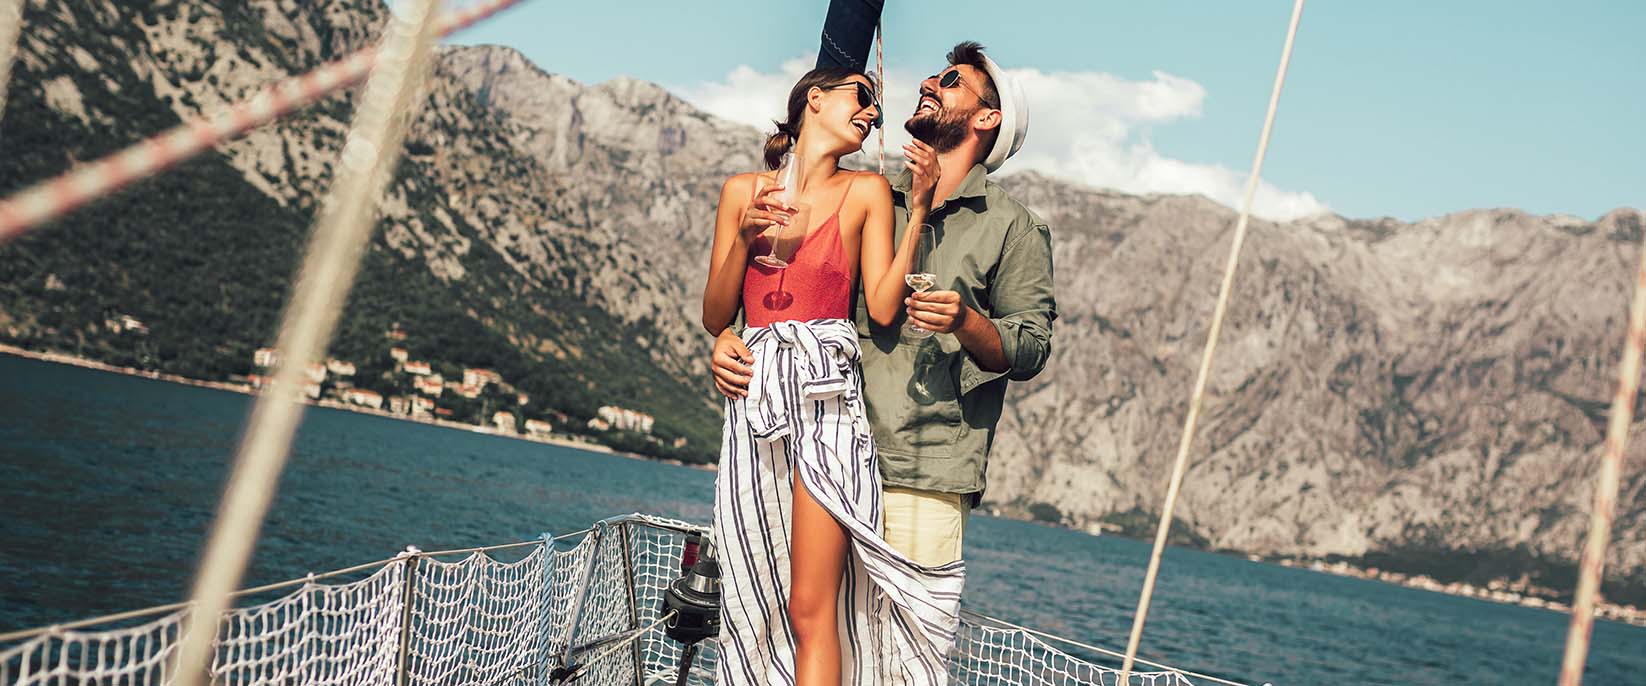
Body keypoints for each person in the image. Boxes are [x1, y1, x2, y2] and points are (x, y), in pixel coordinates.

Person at [712, 33, 1056, 570]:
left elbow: (1031, 348)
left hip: (923, 475)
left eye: (950, 81)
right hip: (822, 452)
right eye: (933, 75)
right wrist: (731, 333)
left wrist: (966, 320)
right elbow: (789, 287)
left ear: (988, 119)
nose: (927, 84)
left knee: (907, 627)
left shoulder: (1015, 228)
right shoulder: (864, 194)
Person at [701, 66, 964, 686]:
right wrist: (744, 238)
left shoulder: (866, 192)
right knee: (755, 594)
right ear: (814, 99)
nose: (872, 112)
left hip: (826, 406)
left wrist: (919, 207)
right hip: (756, 399)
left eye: (877, 107)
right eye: (863, 96)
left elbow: (883, 307)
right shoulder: (742, 192)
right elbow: (716, 315)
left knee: (809, 606)